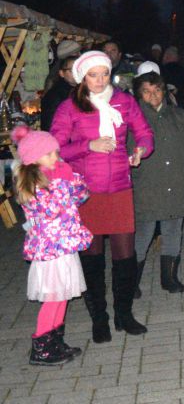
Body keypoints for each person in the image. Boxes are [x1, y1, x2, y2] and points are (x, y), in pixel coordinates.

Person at [49, 50, 154, 343]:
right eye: (93, 75)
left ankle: (124, 314)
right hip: (86, 192)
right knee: (92, 258)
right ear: (82, 77)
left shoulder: (124, 101)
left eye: (104, 73)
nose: (99, 80)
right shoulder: (69, 107)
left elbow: (145, 133)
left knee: (125, 256)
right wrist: (88, 145)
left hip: (120, 188)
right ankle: (99, 318)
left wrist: (141, 150)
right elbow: (54, 150)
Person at [13, 126, 92, 365]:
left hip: (63, 245)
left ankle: (55, 340)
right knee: (54, 298)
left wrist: (73, 179)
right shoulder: (33, 185)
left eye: (56, 152)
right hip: (49, 251)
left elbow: (81, 196)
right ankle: (41, 347)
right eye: (49, 154)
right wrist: (63, 181)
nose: (55, 158)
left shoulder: (57, 176)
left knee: (62, 296)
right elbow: (52, 209)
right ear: (34, 158)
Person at [131, 72, 184, 296]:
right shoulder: (132, 119)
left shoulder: (178, 115)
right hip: (147, 186)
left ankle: (169, 278)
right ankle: (130, 282)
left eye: (157, 90)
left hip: (177, 182)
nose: (153, 96)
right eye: (147, 91)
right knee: (143, 235)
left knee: (173, 231)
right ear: (139, 94)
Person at [41, 56, 77, 132]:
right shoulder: (55, 95)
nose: (77, 73)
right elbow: (49, 124)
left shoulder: (84, 89)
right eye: (72, 70)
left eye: (79, 69)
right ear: (62, 73)